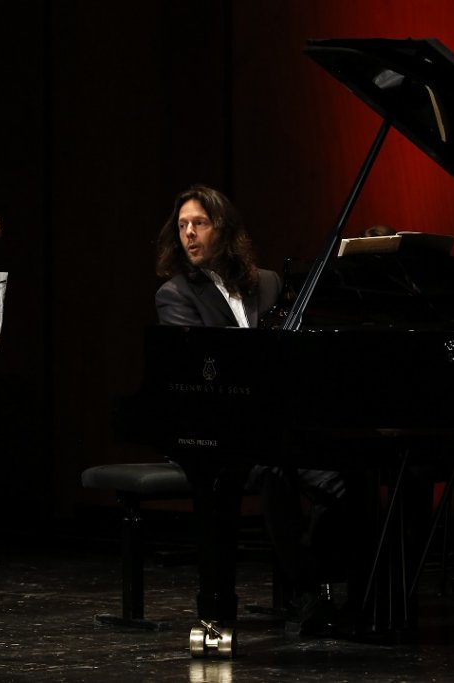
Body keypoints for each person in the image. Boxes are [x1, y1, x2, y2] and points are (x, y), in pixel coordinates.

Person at [153, 183, 350, 634]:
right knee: (278, 473)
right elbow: (199, 378)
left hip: (274, 428)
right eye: (182, 225)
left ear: (223, 228)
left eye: (198, 223)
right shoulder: (176, 294)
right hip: (210, 433)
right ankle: (302, 591)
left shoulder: (267, 283)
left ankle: (327, 582)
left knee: (340, 479)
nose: (188, 234)